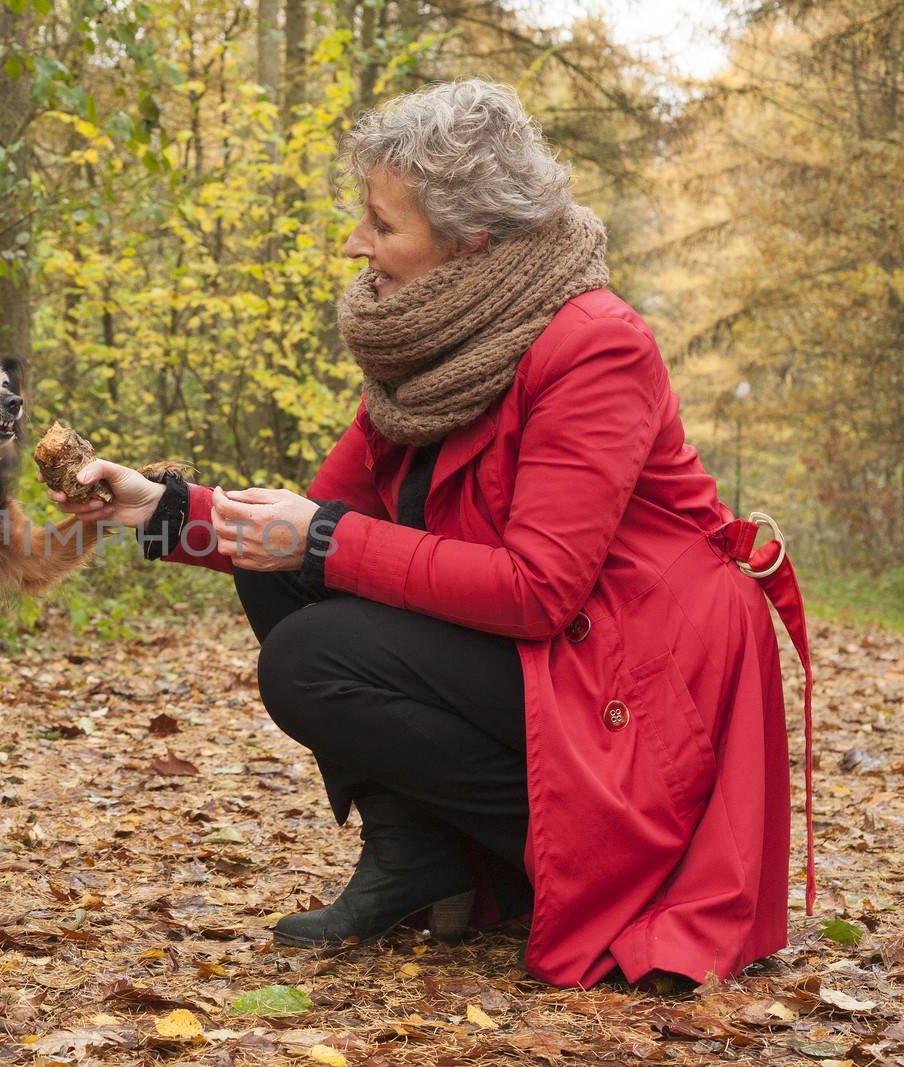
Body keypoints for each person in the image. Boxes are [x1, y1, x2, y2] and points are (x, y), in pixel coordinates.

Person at [40, 79, 813, 989]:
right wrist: (157, 506)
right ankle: (419, 857)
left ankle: (569, 857)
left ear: (469, 240)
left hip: (636, 660)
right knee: (278, 573)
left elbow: (538, 588)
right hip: (559, 643)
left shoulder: (595, 342)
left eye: (381, 222)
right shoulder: (441, 342)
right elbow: (317, 515)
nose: (355, 243)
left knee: (311, 650)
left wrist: (320, 536)